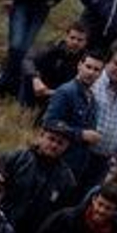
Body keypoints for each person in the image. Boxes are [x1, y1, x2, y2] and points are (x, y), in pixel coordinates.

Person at [43, 50, 103, 182]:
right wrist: (81, 134)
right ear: (79, 65)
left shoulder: (92, 99)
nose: (91, 72)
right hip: (58, 161)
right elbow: (49, 122)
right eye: (88, 67)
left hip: (76, 167)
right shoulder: (66, 92)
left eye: (96, 70)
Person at [86, 44, 117, 187]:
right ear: (107, 62)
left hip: (104, 162)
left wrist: (116, 162)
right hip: (82, 153)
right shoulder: (93, 83)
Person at [23, 20, 86, 110]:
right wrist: (35, 78)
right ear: (66, 37)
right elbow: (28, 59)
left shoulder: (85, 62)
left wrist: (52, 92)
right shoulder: (52, 48)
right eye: (72, 38)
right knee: (28, 74)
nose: (75, 42)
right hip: (38, 88)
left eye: (80, 40)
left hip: (59, 96)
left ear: (85, 42)